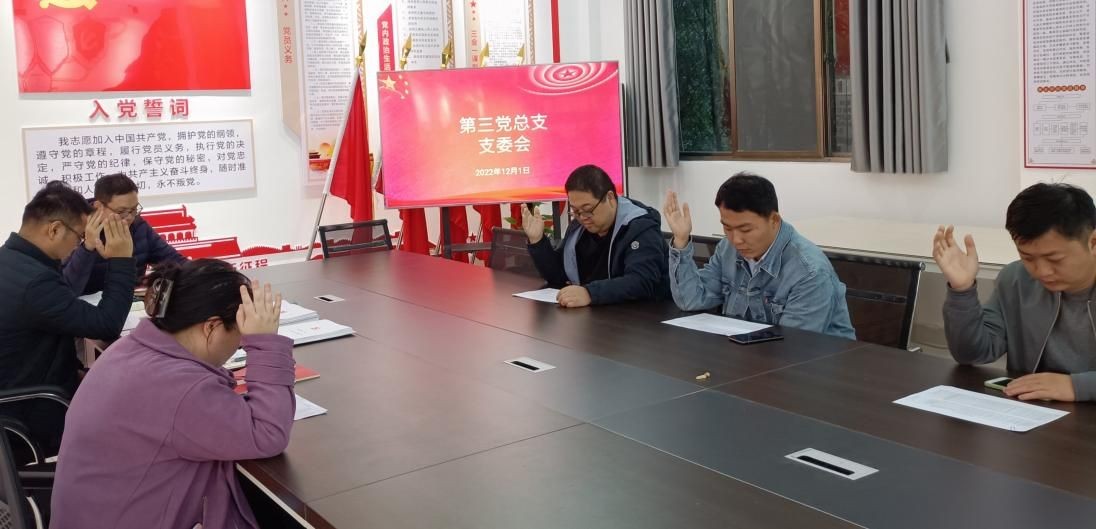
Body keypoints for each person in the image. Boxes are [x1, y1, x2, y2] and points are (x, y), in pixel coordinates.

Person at [50, 259, 295, 528]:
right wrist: (265, 344)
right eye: (240, 336)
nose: (239, 345)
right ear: (211, 327)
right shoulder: (182, 388)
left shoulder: (129, 349)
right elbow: (267, 433)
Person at [936, 183, 1096, 402]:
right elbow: (971, 353)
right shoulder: (1015, 279)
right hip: (1032, 409)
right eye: (1027, 258)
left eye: (1055, 259)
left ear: (1093, 242)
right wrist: (962, 290)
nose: (1041, 271)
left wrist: (1075, 386)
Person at [663, 172, 856, 340]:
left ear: (774, 220)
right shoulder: (727, 248)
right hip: (751, 358)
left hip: (813, 365)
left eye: (745, 229)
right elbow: (692, 300)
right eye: (727, 228)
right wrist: (681, 240)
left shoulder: (809, 272)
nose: (736, 240)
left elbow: (793, 345)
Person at [0, 181, 135, 395]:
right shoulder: (36, 282)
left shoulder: (10, 259)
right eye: (80, 236)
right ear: (54, 229)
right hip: (37, 400)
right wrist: (121, 259)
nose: (78, 244)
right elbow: (107, 325)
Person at [522, 164, 670, 307]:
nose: (582, 217)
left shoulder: (640, 228)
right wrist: (538, 242)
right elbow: (559, 276)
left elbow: (642, 281)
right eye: (575, 211)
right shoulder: (578, 229)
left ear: (610, 198)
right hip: (598, 314)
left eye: (588, 209)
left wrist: (590, 293)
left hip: (645, 316)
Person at [63, 172, 187, 295]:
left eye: (134, 209)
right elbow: (65, 289)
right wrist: (87, 248)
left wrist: (197, 273)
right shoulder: (74, 229)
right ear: (98, 206)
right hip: (84, 304)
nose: (129, 217)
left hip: (130, 301)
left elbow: (176, 262)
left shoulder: (139, 226)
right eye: (121, 211)